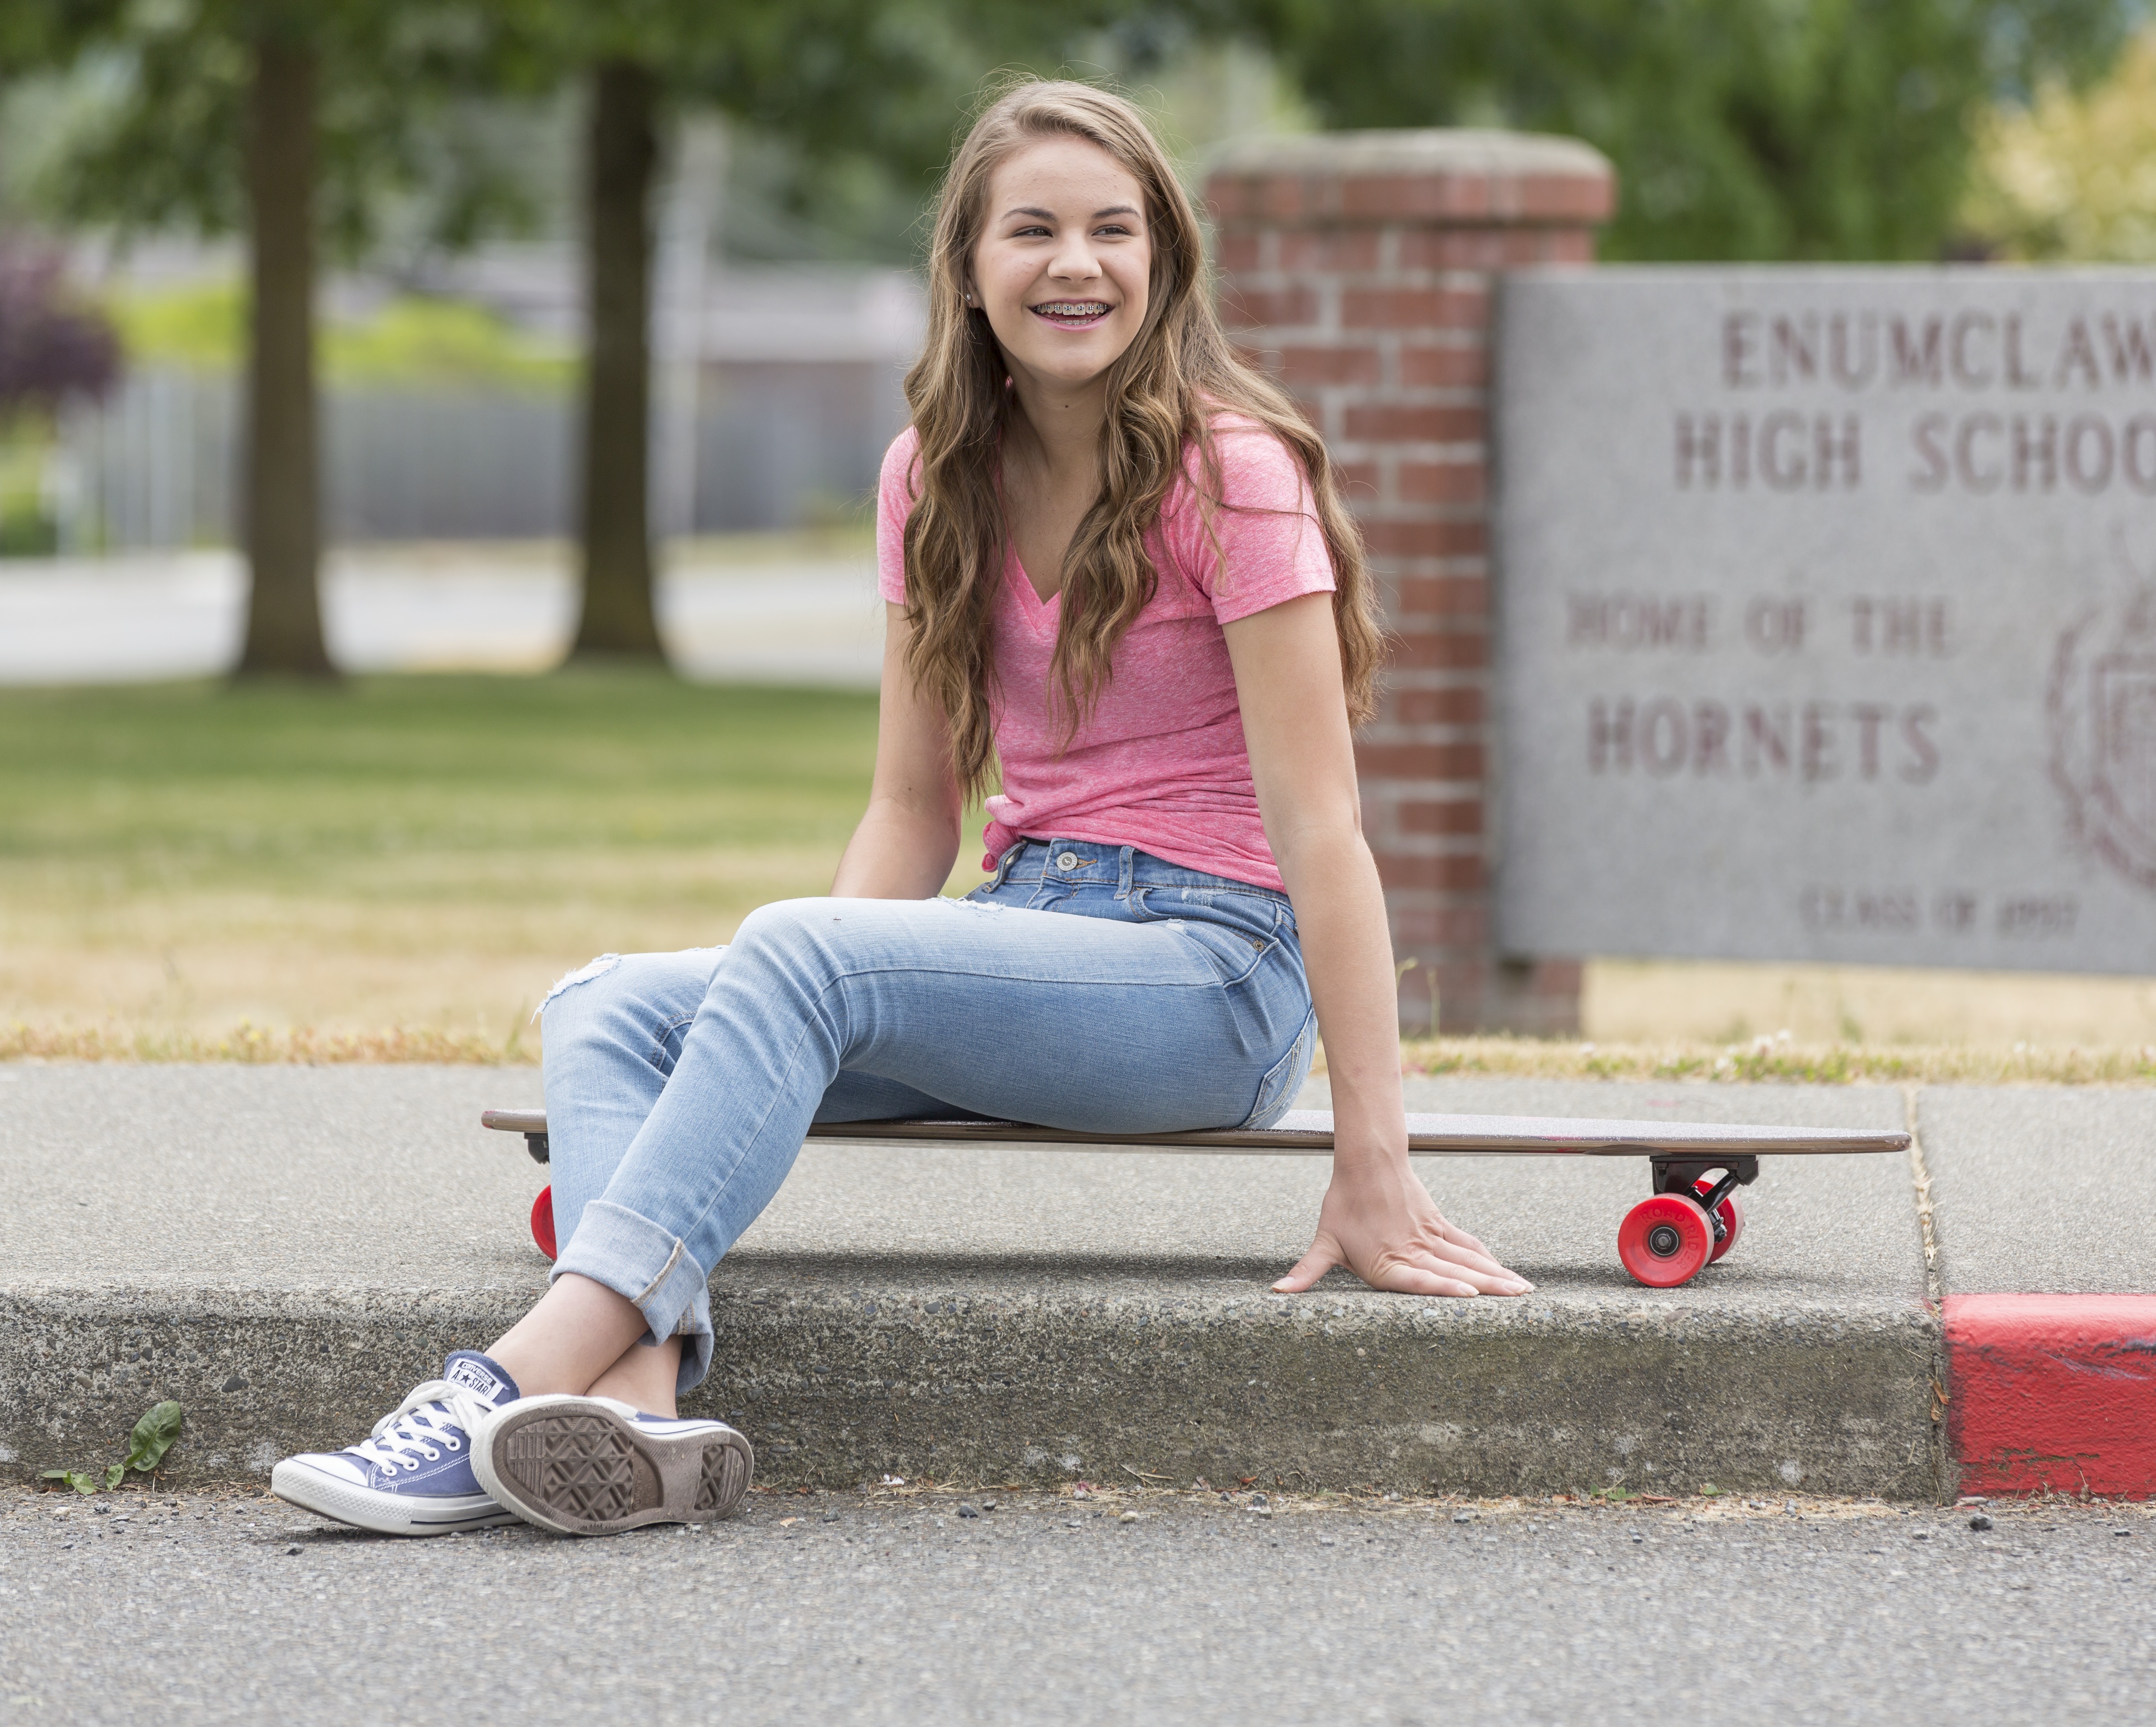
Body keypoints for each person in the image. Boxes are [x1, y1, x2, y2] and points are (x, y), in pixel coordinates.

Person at [269, 77, 1531, 1541]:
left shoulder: (1232, 477)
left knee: (796, 951)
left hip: (1215, 979)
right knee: (607, 1005)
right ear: (971, 272)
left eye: (1116, 231)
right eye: (1035, 231)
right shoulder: (934, 478)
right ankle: (641, 1407)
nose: (1078, 264)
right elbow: (910, 809)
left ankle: (496, 1385)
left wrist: (1373, 1164)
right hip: (1032, 930)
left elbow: (1326, 834)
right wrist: (822, 1002)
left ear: (1166, 264)